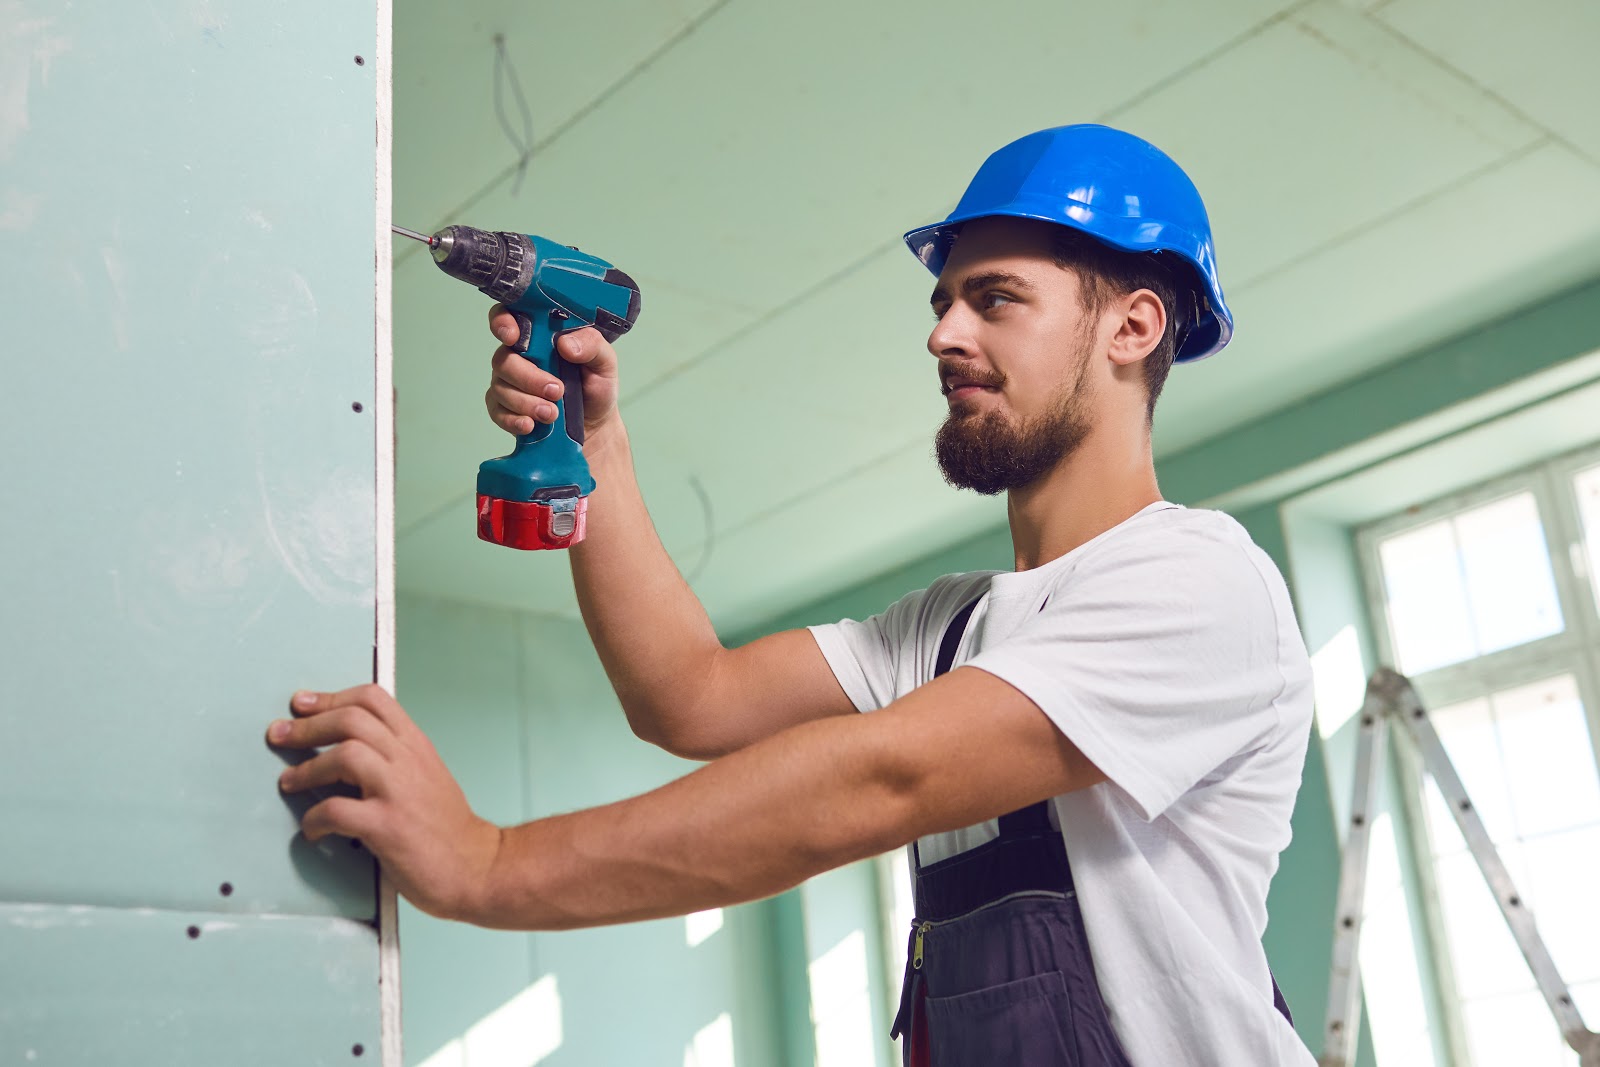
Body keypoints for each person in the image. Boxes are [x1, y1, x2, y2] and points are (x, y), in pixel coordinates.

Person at [270, 124, 1316, 1066]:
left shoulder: (1198, 582)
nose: (942, 334)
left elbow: (888, 774)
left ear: (1133, 327)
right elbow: (689, 695)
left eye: (993, 297)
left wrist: (488, 863)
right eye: (942, 301)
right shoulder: (946, 631)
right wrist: (597, 443)